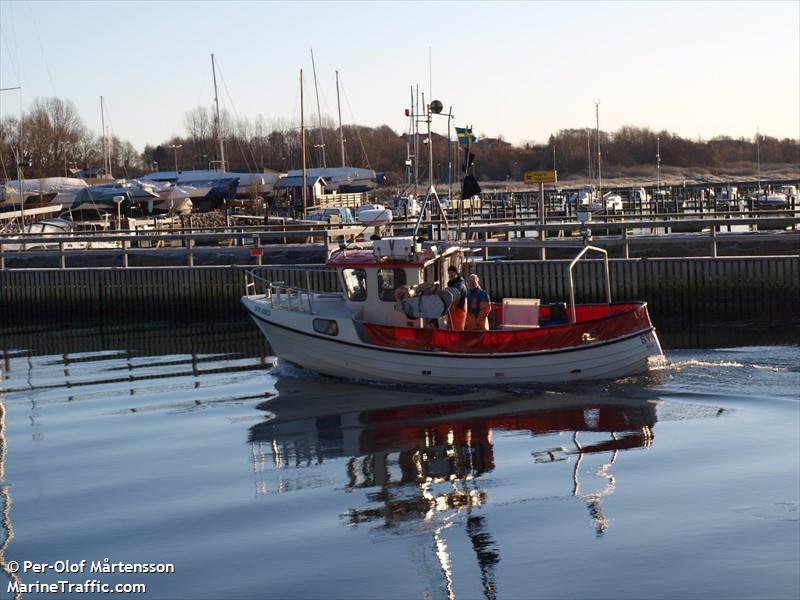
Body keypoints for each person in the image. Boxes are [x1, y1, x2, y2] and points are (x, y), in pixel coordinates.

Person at [446, 265, 467, 331]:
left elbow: (454, 295)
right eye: (449, 273)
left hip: (458, 310)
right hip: (452, 310)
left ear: (456, 273)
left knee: (457, 329)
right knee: (451, 328)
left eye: (452, 273)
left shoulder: (459, 284)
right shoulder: (451, 283)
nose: (450, 275)